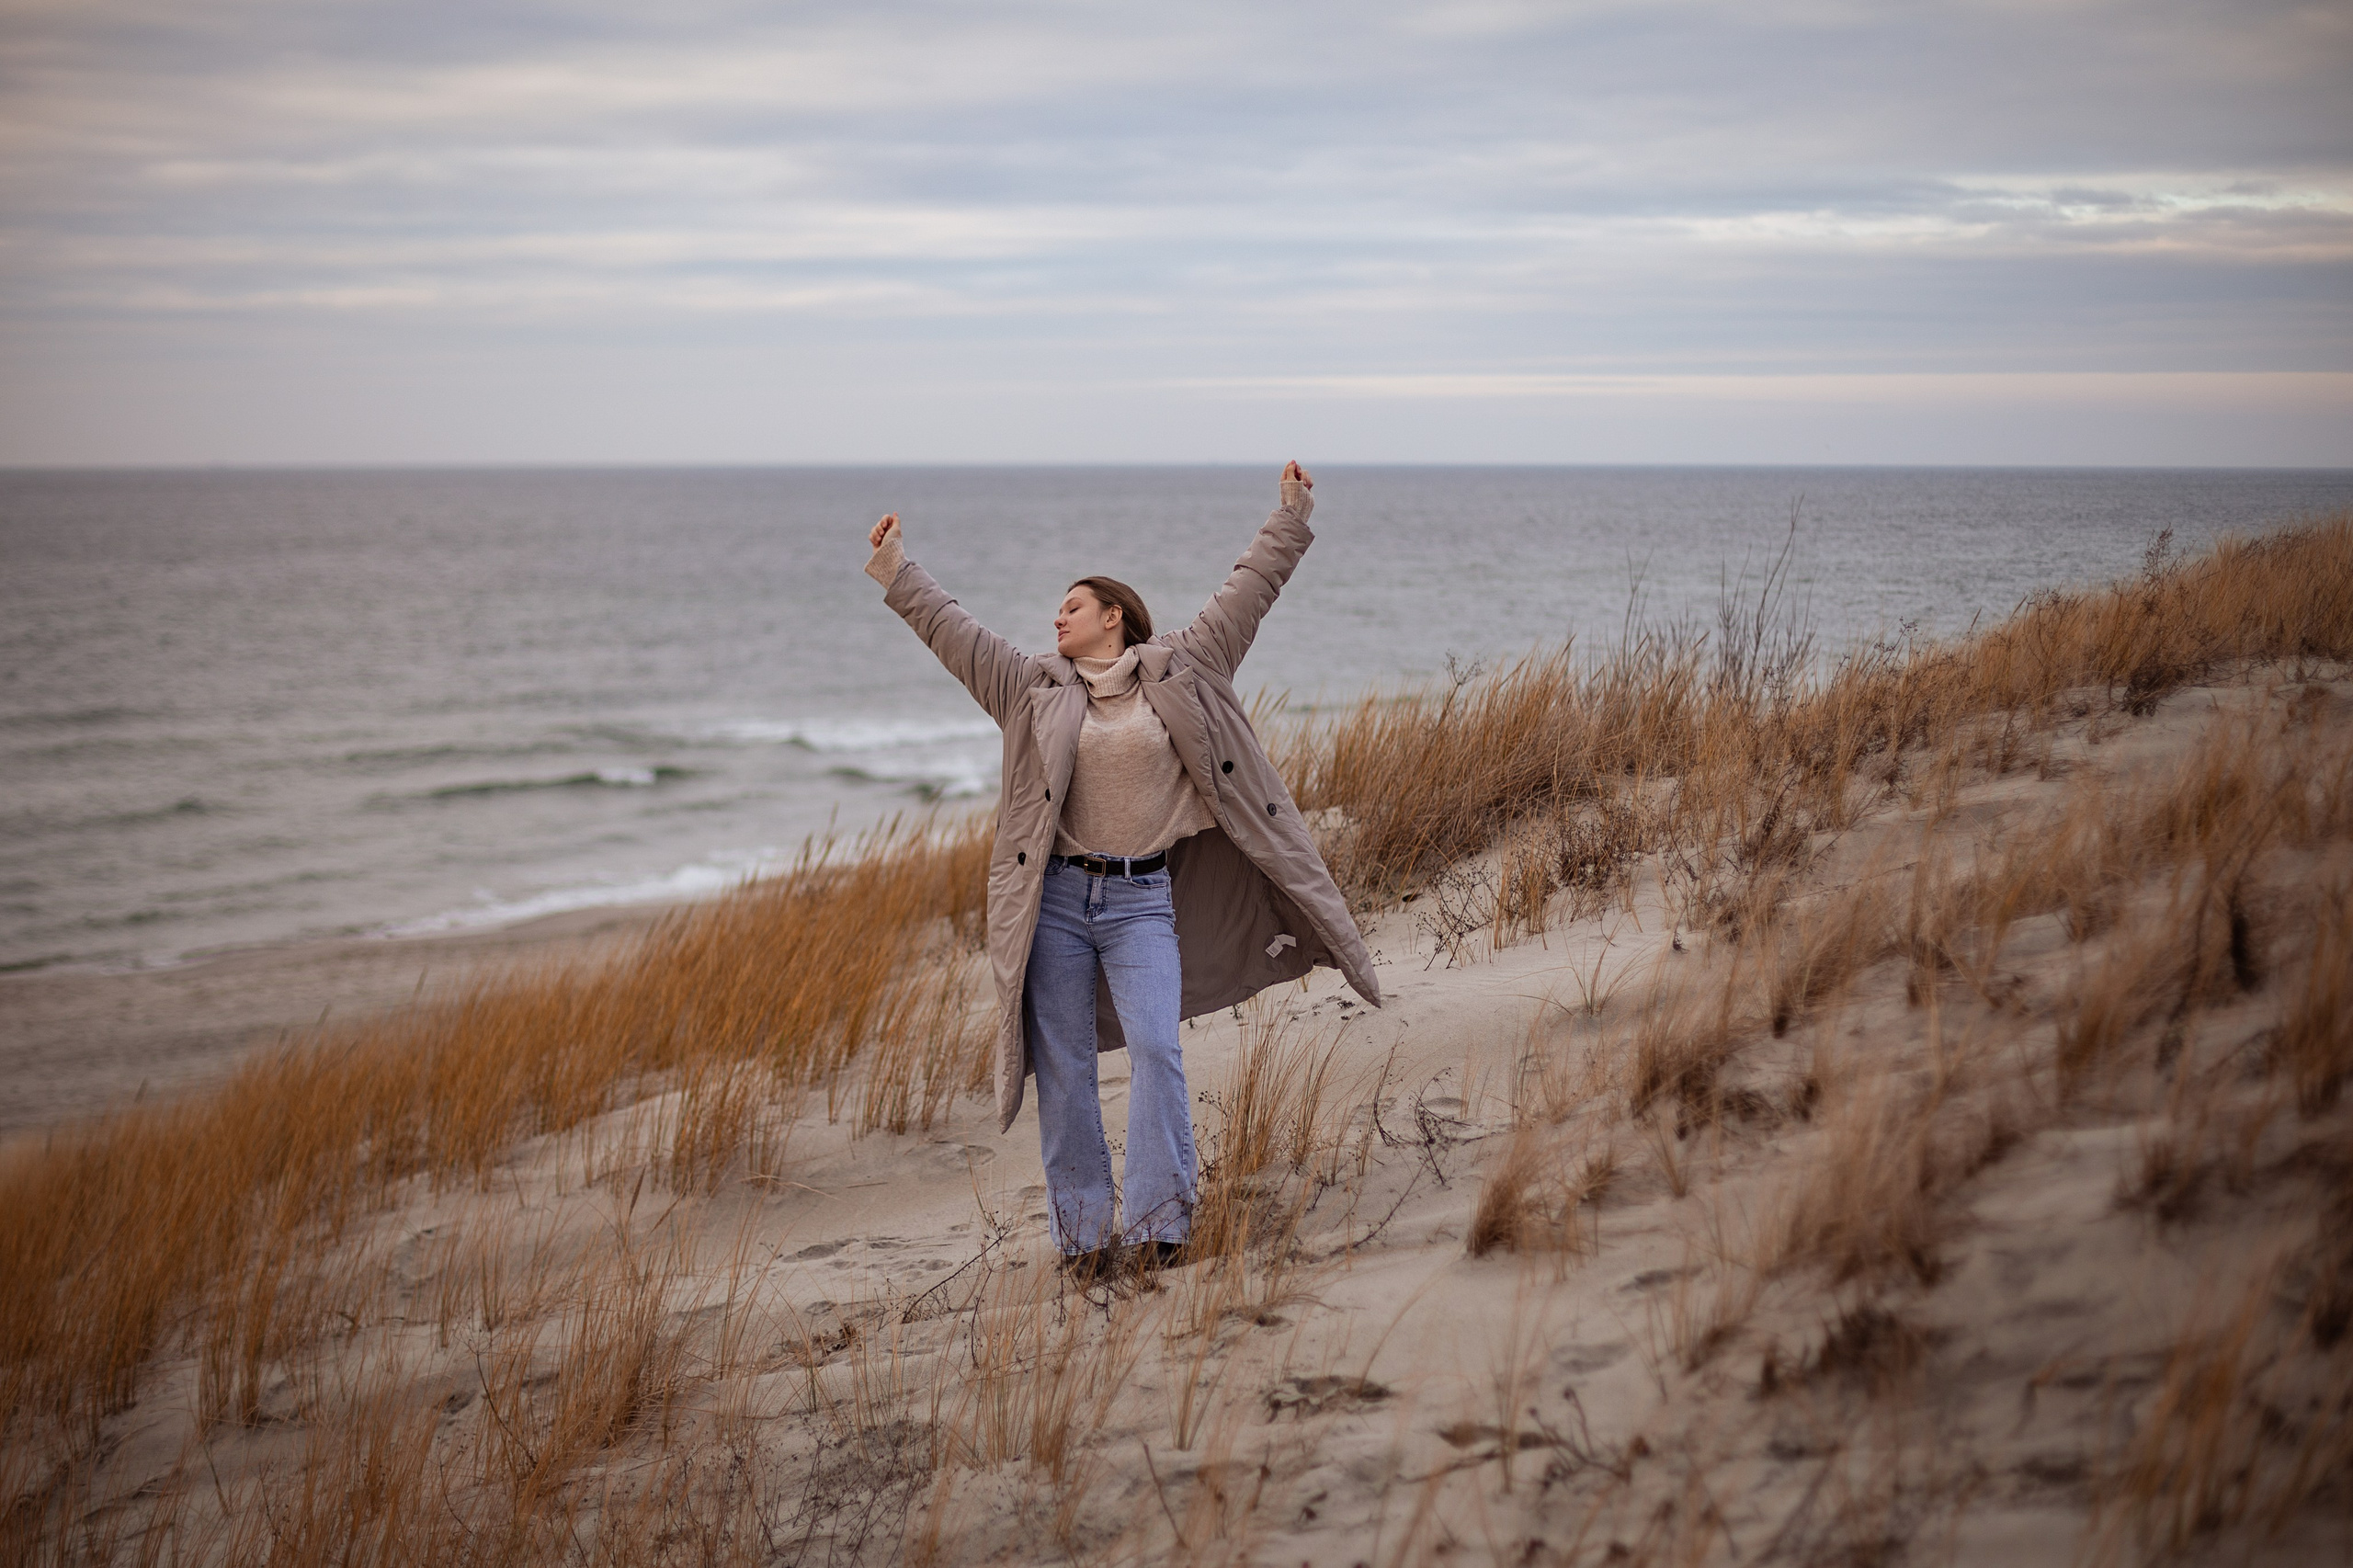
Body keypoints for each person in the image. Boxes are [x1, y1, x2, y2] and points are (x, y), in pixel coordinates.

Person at [862, 460, 1381, 1277]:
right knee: (1066, 1071)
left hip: (1144, 901)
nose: (1056, 618)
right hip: (1060, 905)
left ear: (1115, 617)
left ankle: (1161, 1226)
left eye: (1072, 607)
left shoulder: (1186, 666)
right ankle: (1085, 1241)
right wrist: (899, 571)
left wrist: (1292, 515)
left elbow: (1248, 591)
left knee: (1154, 1048)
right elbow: (954, 633)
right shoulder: (1030, 686)